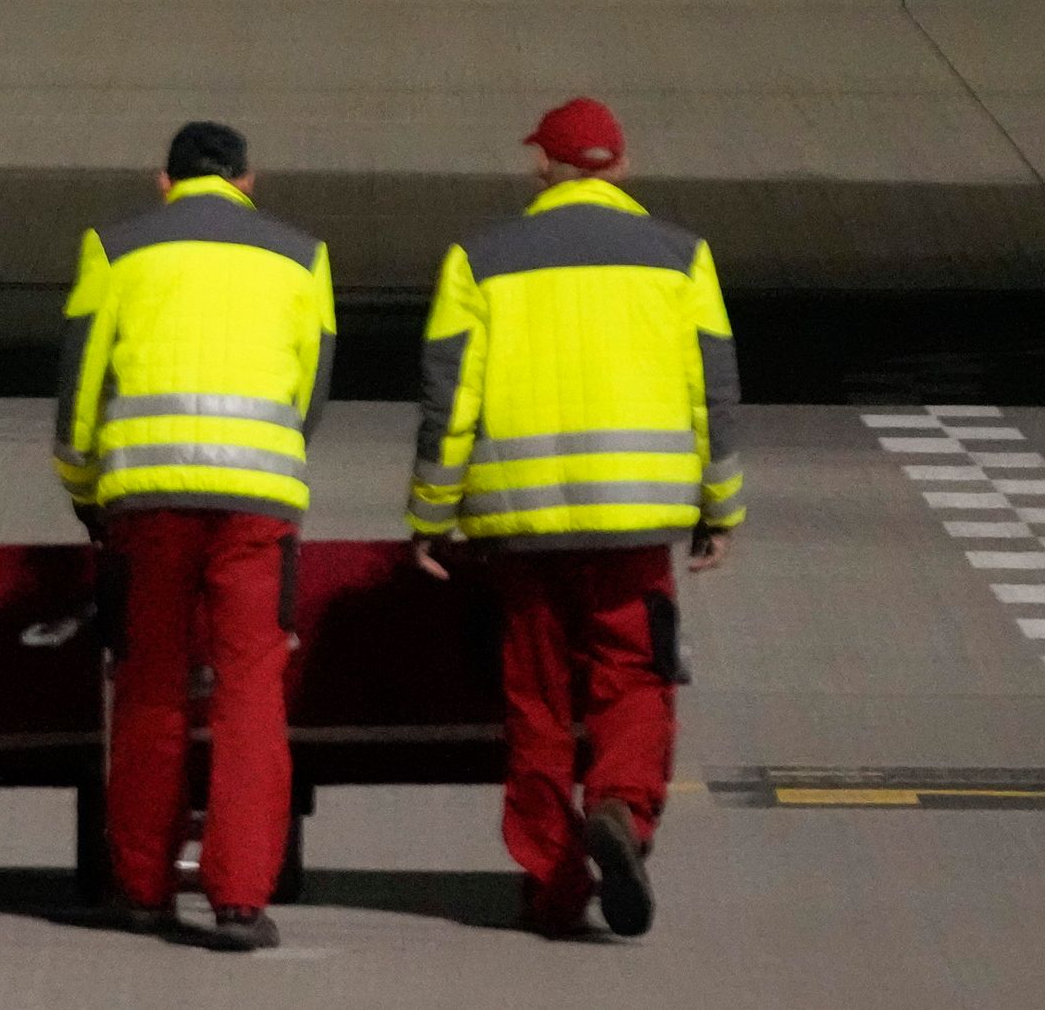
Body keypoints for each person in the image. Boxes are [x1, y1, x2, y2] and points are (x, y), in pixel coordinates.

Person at [405, 97, 743, 941]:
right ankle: (623, 812)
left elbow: (450, 400)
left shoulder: (480, 259)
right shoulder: (680, 257)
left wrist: (431, 515)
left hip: (521, 526)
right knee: (634, 679)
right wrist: (719, 507)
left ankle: (553, 888)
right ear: (621, 167)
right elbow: (715, 390)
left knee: (539, 701)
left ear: (543, 167)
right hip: (636, 521)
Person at [53, 121, 337, 951]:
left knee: (149, 686)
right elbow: (312, 389)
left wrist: (85, 491)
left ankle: (141, 889)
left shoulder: (115, 248)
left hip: (147, 499)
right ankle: (241, 901)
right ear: (251, 179)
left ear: (163, 181)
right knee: (252, 693)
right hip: (257, 502)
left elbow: (78, 390)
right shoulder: (302, 256)